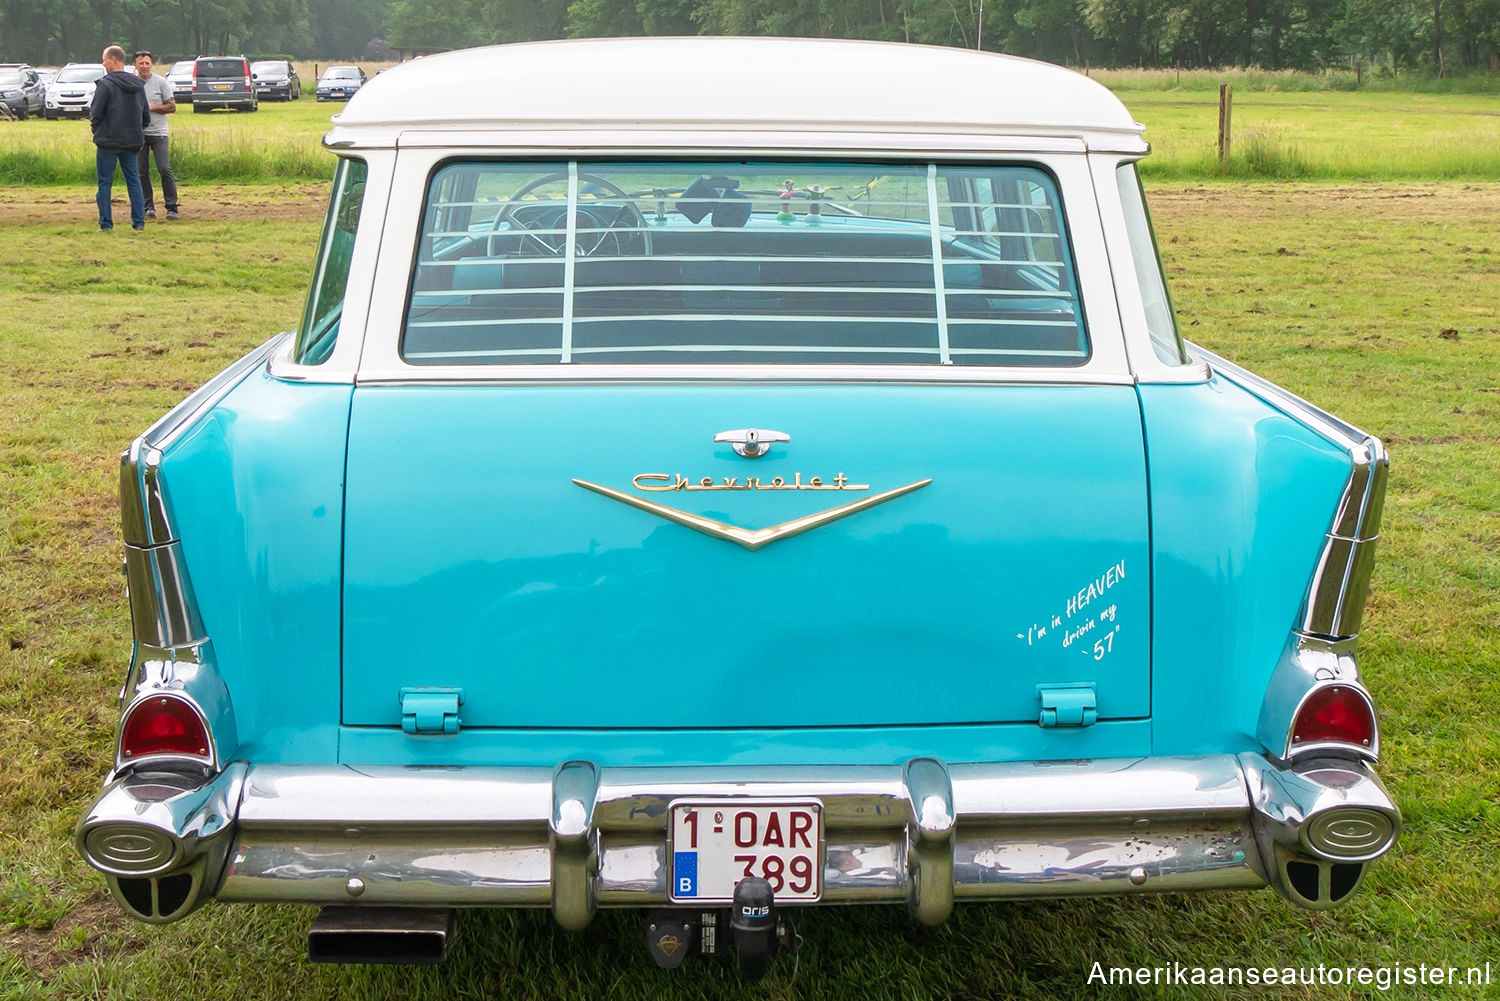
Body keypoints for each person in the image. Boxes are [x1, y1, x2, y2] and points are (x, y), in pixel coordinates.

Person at [90, 45, 149, 231]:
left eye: (104, 59)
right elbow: (145, 116)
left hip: (107, 142)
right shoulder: (138, 86)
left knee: (104, 182)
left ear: (114, 59)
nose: (103, 63)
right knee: (134, 181)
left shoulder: (105, 85)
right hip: (131, 141)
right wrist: (135, 130)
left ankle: (105, 223)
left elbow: (96, 113)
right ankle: (138, 223)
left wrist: (97, 131)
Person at [133, 51, 178, 220]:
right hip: (139, 134)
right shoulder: (132, 83)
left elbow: (172, 107)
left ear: (151, 64)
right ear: (135, 65)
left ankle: (172, 207)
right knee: (141, 172)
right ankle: (148, 207)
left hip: (159, 132)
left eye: (147, 63)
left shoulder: (160, 83)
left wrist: (152, 107)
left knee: (164, 169)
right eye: (141, 63)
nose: (144, 66)